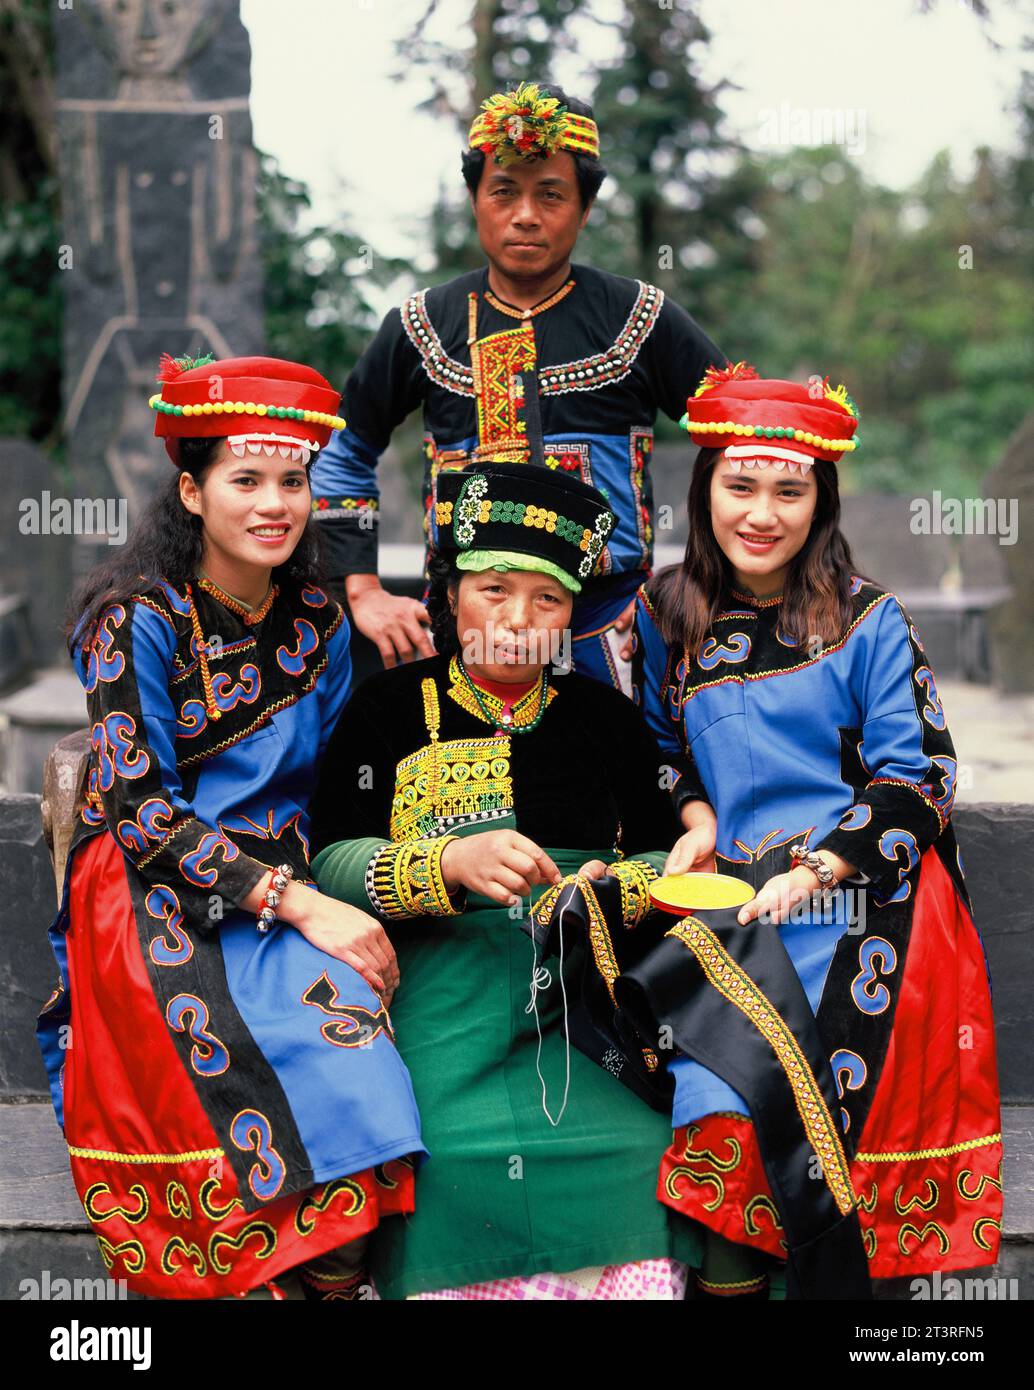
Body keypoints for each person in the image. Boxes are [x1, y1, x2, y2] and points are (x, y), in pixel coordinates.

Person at [36, 354, 425, 1300]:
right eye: (244, 480)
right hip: (149, 889)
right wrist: (297, 905)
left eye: (291, 481)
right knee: (232, 1071)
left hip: (283, 892)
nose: (274, 503)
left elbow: (337, 786)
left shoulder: (319, 619)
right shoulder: (134, 618)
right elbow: (139, 811)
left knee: (362, 1080)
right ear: (191, 490)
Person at [629, 363, 1003, 1296]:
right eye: (740, 486)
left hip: (871, 903)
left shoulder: (870, 619)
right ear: (705, 487)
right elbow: (656, 748)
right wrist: (697, 812)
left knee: (846, 1121)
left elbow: (921, 779)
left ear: (820, 500)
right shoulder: (667, 611)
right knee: (721, 1120)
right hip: (737, 906)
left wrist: (823, 866)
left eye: (788, 491)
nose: (762, 512)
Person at [308, 462, 707, 1299]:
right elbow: (332, 863)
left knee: (643, 1150)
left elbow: (672, 863)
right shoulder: (386, 708)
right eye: (494, 590)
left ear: (570, 615)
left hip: (580, 1001)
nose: (518, 621)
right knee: (442, 1155)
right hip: (438, 990)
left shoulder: (604, 719)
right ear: (450, 594)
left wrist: (607, 889)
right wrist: (447, 864)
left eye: (548, 601)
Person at [309, 80, 725, 687]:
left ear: (585, 209)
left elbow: (740, 439)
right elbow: (343, 450)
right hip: (461, 636)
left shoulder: (643, 316)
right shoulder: (419, 324)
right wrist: (364, 588)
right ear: (474, 200)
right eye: (503, 191)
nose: (525, 215)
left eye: (551, 195)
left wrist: (703, 580)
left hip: (614, 634)